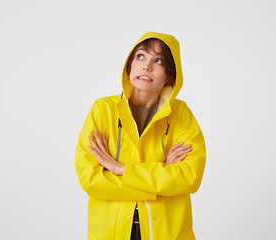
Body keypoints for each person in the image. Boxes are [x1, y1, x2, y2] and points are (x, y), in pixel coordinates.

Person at [75, 31, 206, 240]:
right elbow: (90, 179)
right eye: (141, 56)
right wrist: (161, 176)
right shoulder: (102, 110)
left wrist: (120, 169)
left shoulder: (181, 115)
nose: (147, 66)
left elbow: (190, 178)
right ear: (130, 65)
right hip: (110, 233)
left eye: (159, 60)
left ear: (169, 76)